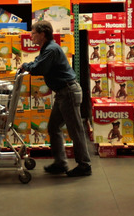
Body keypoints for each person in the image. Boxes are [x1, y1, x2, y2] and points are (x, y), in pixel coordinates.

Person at [20, 21, 91, 177]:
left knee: (76, 130)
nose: (31, 36)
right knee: (53, 127)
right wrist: (28, 65)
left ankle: (84, 165)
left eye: (33, 33)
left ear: (42, 34)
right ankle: (60, 163)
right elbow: (38, 63)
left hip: (68, 93)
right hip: (63, 93)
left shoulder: (51, 49)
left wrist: (25, 66)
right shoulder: (47, 49)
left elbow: (38, 68)